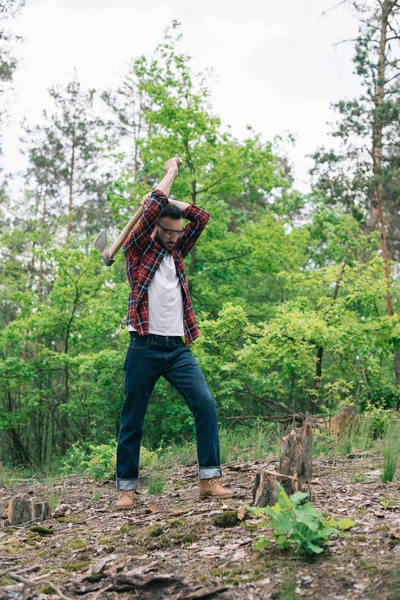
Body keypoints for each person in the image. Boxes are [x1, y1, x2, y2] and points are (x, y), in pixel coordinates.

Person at [115, 157, 233, 509]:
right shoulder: (138, 251)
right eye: (168, 231)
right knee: (132, 417)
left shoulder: (178, 248)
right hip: (144, 348)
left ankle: (209, 481)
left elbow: (202, 218)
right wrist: (170, 173)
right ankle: (126, 489)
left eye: (178, 233)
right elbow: (152, 206)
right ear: (155, 229)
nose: (175, 237)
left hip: (178, 349)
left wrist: (176, 204)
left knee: (205, 404)